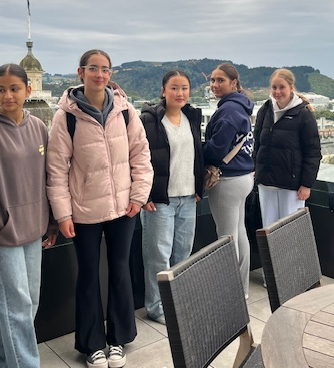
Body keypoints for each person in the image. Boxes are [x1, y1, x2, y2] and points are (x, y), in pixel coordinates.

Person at [46, 49, 153, 368]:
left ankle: (118, 339)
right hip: (84, 209)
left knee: (120, 271)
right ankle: (92, 343)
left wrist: (138, 196)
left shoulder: (125, 110)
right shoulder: (66, 115)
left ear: (111, 74)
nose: (100, 74)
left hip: (123, 207)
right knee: (88, 274)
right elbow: (56, 168)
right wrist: (62, 214)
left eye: (105, 69)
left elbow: (141, 155)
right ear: (81, 72)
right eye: (93, 68)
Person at [0, 63, 57, 368]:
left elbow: (46, 179)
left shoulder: (38, 127)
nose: (8, 96)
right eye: (1, 89)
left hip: (33, 232)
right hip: (2, 238)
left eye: (14, 89)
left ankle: (8, 363)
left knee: (26, 308)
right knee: (16, 311)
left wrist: (51, 222)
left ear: (28, 89)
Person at [139, 70, 204, 325]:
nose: (180, 93)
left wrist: (198, 187)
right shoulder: (150, 120)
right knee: (159, 256)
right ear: (163, 90)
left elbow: (197, 155)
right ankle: (156, 307)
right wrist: (144, 195)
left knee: (183, 254)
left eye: (184, 88)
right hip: (160, 200)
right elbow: (140, 159)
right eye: (174, 88)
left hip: (188, 198)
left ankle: (179, 301)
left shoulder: (191, 117)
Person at [203, 63, 254, 297]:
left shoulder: (228, 110)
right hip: (244, 176)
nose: (214, 85)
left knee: (226, 237)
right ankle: (241, 290)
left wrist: (198, 150)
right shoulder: (241, 106)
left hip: (228, 180)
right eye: (212, 80)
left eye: (220, 80)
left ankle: (229, 294)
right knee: (239, 233)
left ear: (234, 83)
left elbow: (216, 150)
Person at [253, 68, 322, 228]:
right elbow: (258, 142)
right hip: (266, 183)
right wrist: (256, 167)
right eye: (274, 87)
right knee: (269, 230)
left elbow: (313, 152)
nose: (277, 92)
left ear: (291, 87)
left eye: (281, 87)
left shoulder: (303, 114)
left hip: (291, 185)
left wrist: (306, 184)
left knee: (290, 231)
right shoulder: (266, 110)